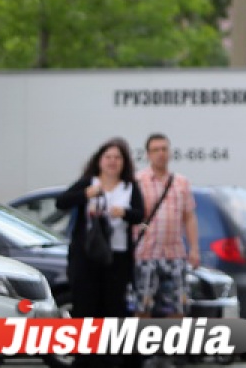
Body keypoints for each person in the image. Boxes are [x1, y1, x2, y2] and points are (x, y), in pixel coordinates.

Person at [56, 137, 147, 366]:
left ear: (124, 162)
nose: (112, 162)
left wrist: (124, 213)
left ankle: (111, 359)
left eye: (118, 158)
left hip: (117, 257)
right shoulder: (89, 183)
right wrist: (84, 195)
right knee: (86, 306)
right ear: (99, 161)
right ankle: (85, 358)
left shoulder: (129, 187)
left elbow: (139, 214)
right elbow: (62, 202)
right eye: (108, 157)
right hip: (86, 256)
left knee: (113, 307)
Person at [133, 133, 200, 318]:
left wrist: (194, 249)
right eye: (155, 150)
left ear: (170, 152)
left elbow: (189, 217)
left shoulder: (181, 183)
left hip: (175, 253)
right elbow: (132, 217)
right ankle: (142, 345)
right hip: (146, 253)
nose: (160, 154)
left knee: (179, 306)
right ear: (148, 154)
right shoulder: (138, 181)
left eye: (164, 149)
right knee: (143, 306)